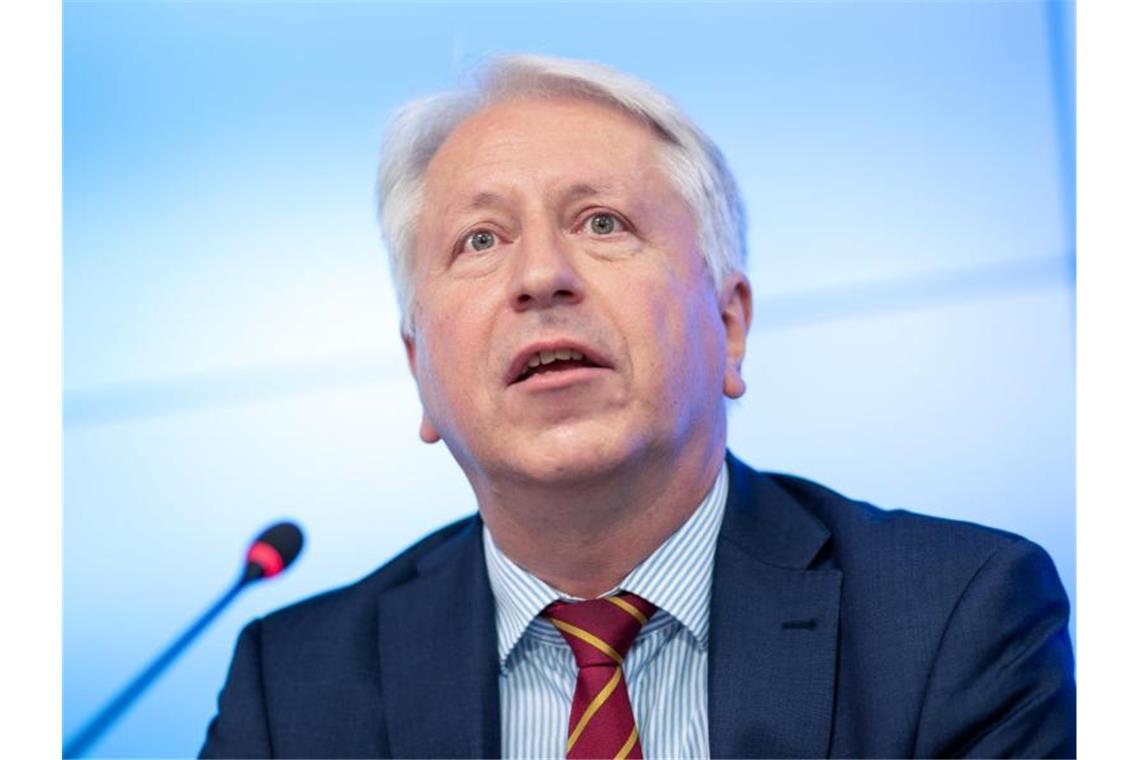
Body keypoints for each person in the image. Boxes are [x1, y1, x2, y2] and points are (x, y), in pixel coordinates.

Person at [200, 55, 1075, 759]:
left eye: (603, 223)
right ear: (419, 369)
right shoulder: (295, 692)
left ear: (729, 326)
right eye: (480, 239)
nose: (542, 276)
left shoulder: (956, 617)